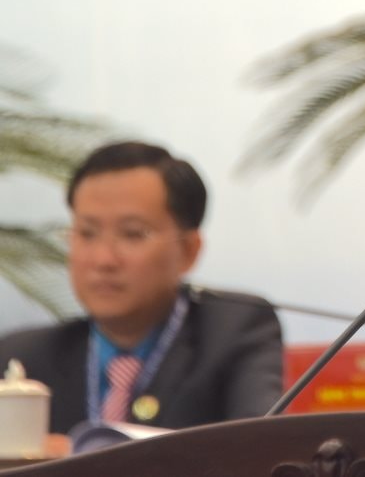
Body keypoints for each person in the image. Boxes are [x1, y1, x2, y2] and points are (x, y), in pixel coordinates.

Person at [0, 141, 283, 434]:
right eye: (87, 233)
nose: (104, 259)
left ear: (189, 250)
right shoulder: (22, 357)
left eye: (132, 234)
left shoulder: (233, 331)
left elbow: (259, 446)